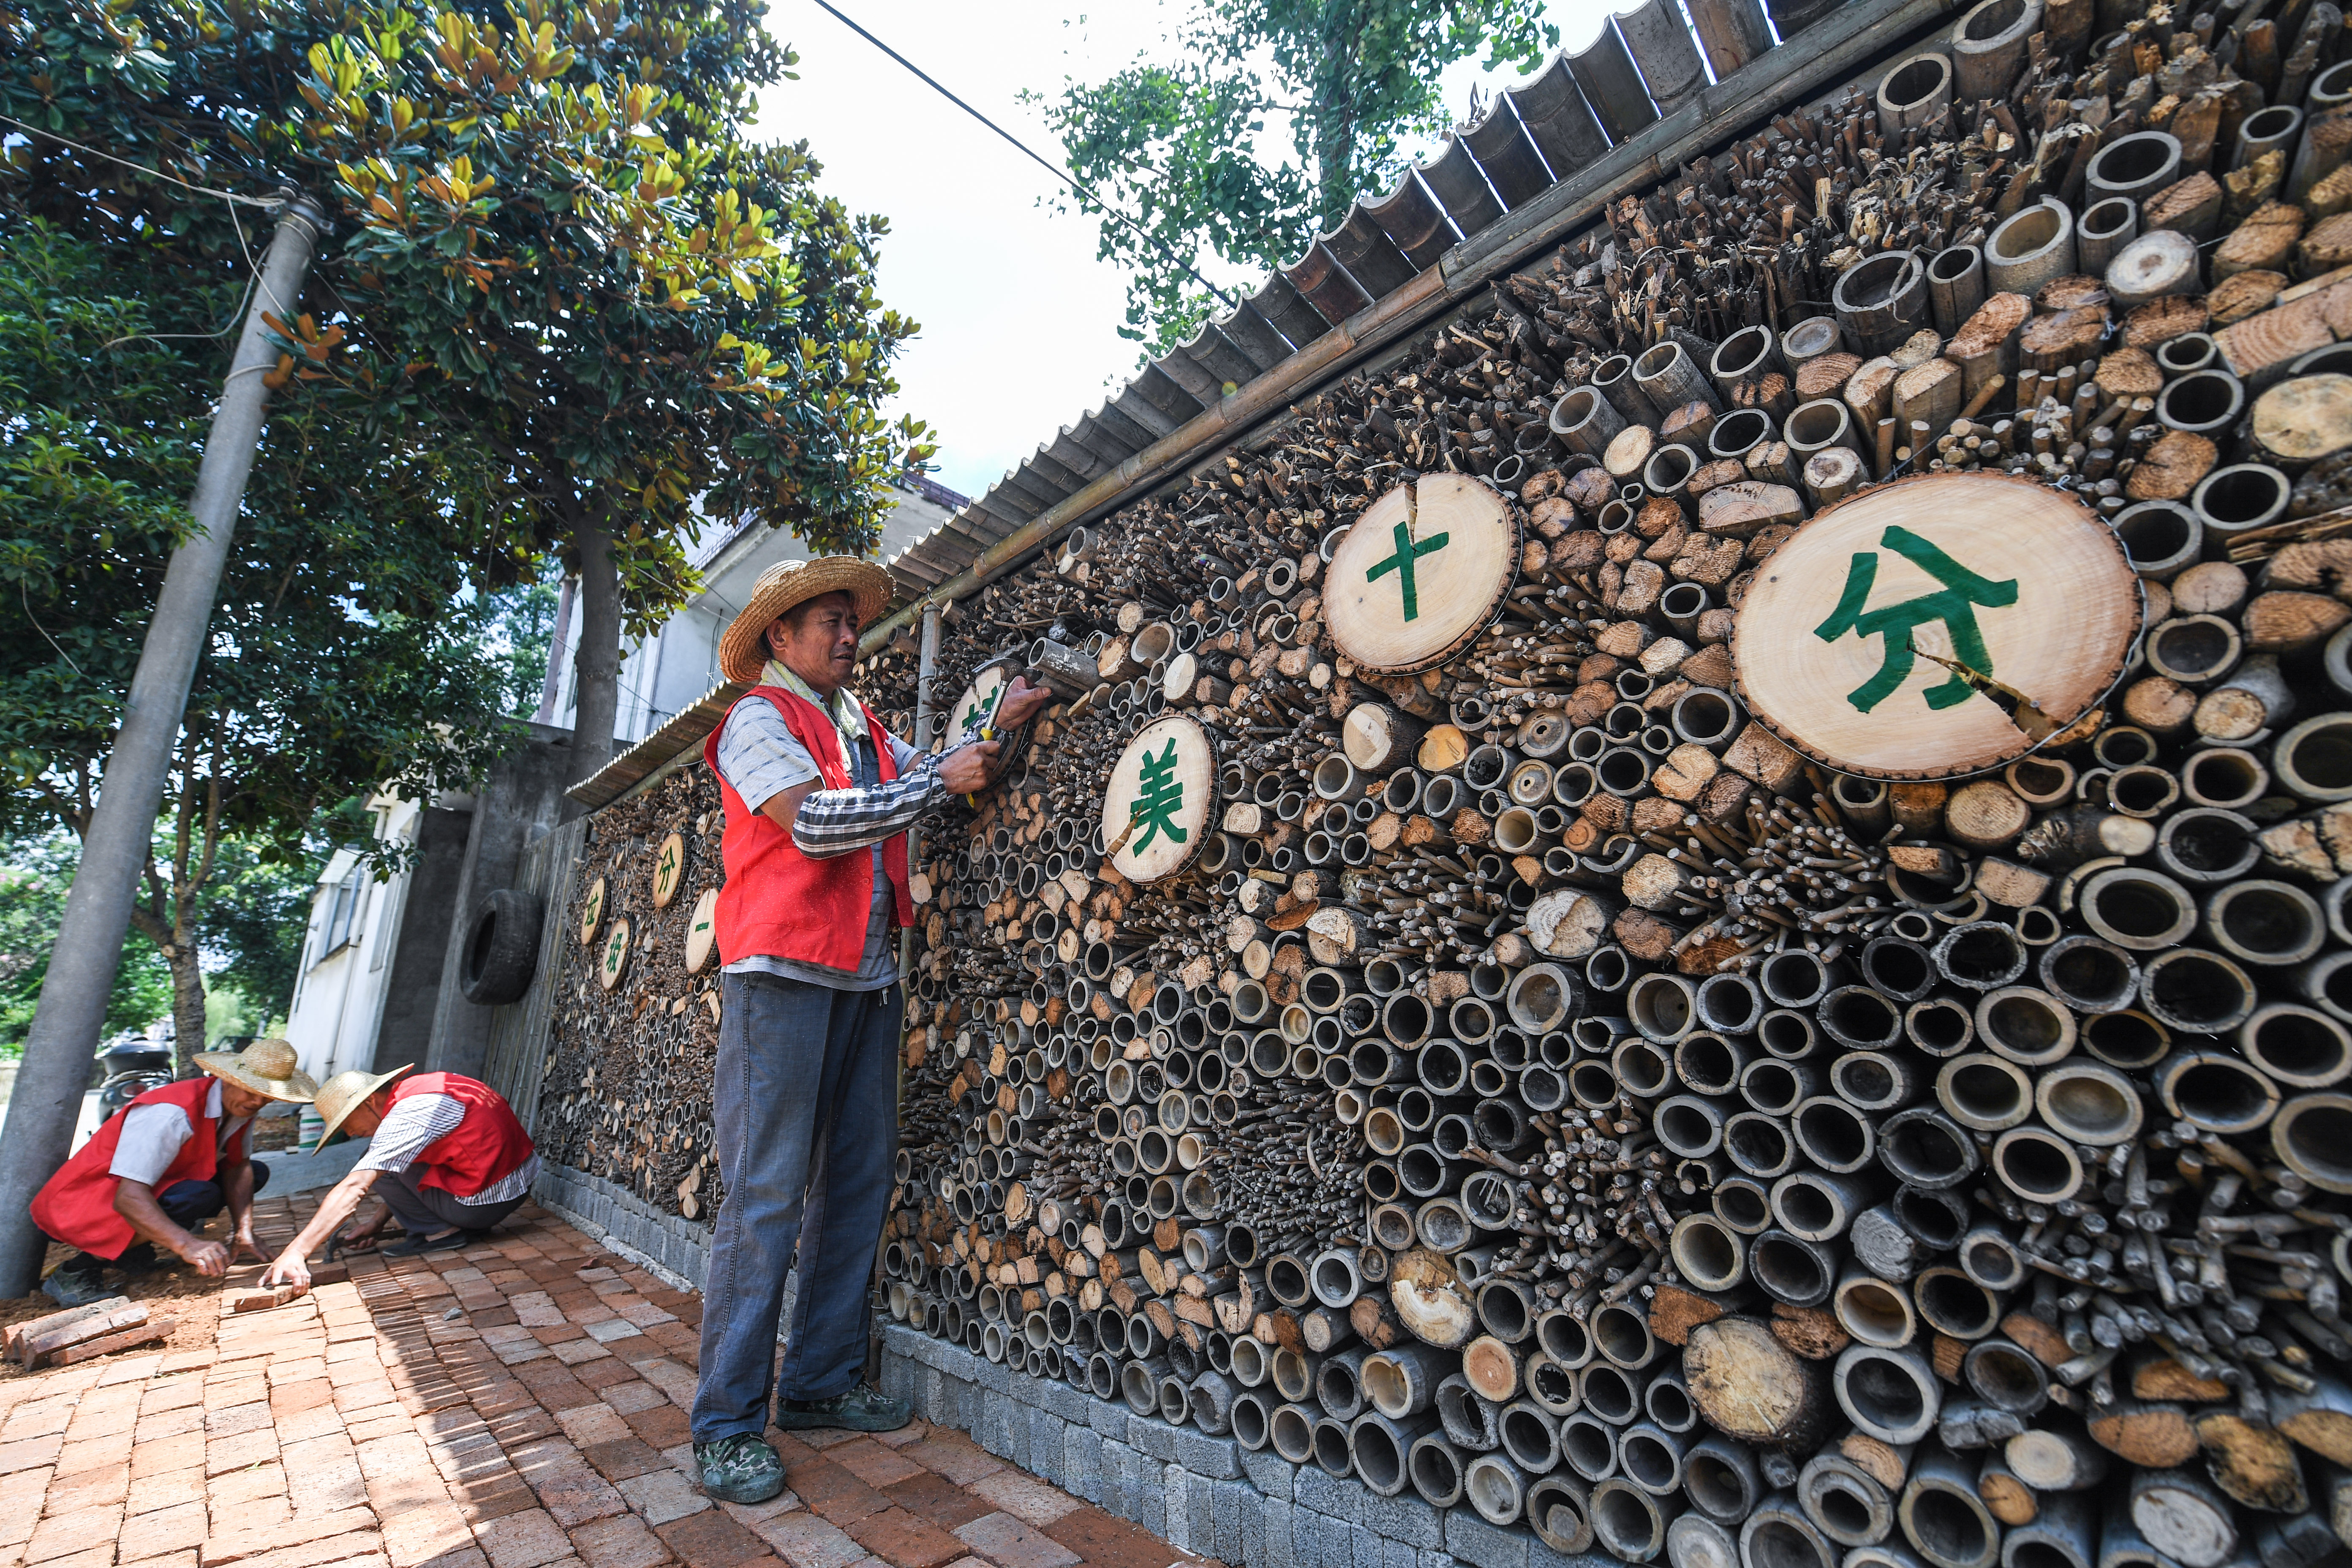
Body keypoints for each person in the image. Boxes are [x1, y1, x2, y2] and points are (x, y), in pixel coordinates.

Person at [689, 556, 1046, 1505]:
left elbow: (929, 773)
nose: (850, 635)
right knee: (764, 1193)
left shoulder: (860, 728)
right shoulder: (759, 721)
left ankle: (815, 1382)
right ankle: (725, 1423)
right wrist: (938, 784)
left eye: (854, 621)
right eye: (831, 621)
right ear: (780, 634)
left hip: (865, 977)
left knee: (857, 1178)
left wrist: (992, 728)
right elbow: (812, 826)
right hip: (782, 975)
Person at [33, 1037, 317, 1306]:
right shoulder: (170, 1114)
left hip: (139, 1191)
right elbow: (128, 1197)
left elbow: (238, 1166)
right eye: (251, 1092)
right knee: (198, 1195)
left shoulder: (239, 1109)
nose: (258, 1103)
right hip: (81, 1205)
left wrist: (244, 1230)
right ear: (229, 1079)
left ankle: (132, 1253)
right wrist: (187, 1245)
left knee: (254, 1172)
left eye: (266, 1097)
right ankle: (76, 1271)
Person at [261, 1065, 538, 1287]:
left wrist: (298, 1250)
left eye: (347, 1124)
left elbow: (356, 1186)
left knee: (368, 1162)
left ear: (369, 1101)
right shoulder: (420, 1088)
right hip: (515, 1182)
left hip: (487, 1202)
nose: (351, 1133)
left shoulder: (407, 1116)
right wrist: (377, 1222)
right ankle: (441, 1224)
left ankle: (441, 1233)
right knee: (379, 1158)